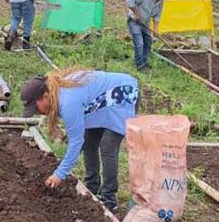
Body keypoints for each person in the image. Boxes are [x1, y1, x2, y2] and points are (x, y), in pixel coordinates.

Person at [21, 68, 139, 212]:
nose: (37, 112)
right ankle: (92, 187)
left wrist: (60, 173)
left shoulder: (68, 102)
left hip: (122, 94)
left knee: (107, 146)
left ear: (45, 96)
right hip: (101, 102)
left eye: (36, 107)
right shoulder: (57, 93)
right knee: (89, 142)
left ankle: (109, 199)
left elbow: (76, 142)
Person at [125, 0, 171, 71]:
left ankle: (144, 62)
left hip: (145, 23)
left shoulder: (160, 1)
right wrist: (136, 14)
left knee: (148, 42)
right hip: (134, 21)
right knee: (139, 43)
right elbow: (129, 1)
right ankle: (140, 66)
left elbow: (157, 16)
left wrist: (156, 30)